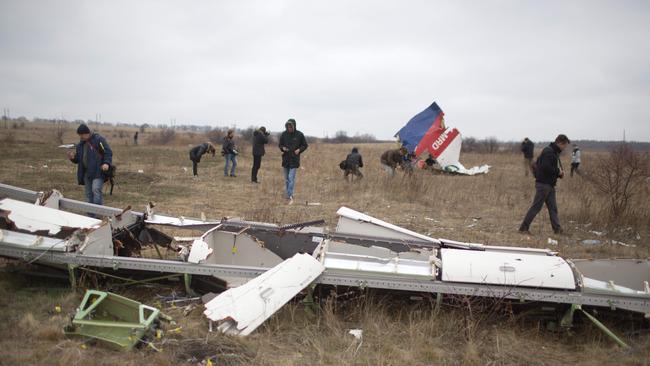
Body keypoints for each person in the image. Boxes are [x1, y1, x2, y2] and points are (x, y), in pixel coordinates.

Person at [519, 134, 571, 235]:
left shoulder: (552, 151)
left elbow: (545, 166)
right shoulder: (549, 151)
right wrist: (558, 172)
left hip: (549, 184)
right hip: (544, 185)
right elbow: (545, 167)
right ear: (560, 143)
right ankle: (523, 228)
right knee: (536, 207)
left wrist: (559, 174)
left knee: (553, 208)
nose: (565, 148)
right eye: (564, 146)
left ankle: (557, 230)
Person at [67, 123, 113, 206]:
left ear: (87, 133)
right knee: (88, 194)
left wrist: (106, 163)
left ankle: (99, 213)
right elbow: (78, 159)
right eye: (79, 135)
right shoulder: (80, 145)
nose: (81, 137)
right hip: (86, 173)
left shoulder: (99, 140)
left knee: (96, 190)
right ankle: (90, 216)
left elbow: (108, 152)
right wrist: (73, 158)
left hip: (98, 172)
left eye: (82, 135)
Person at [279, 119, 308, 203]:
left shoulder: (299, 134)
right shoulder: (284, 134)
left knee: (291, 178)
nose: (289, 128)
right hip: (286, 159)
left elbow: (305, 145)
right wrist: (282, 148)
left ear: (294, 126)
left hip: (294, 160)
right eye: (287, 127)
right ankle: (288, 194)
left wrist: (299, 150)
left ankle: (289, 195)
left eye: (290, 126)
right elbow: (280, 145)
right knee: (286, 179)